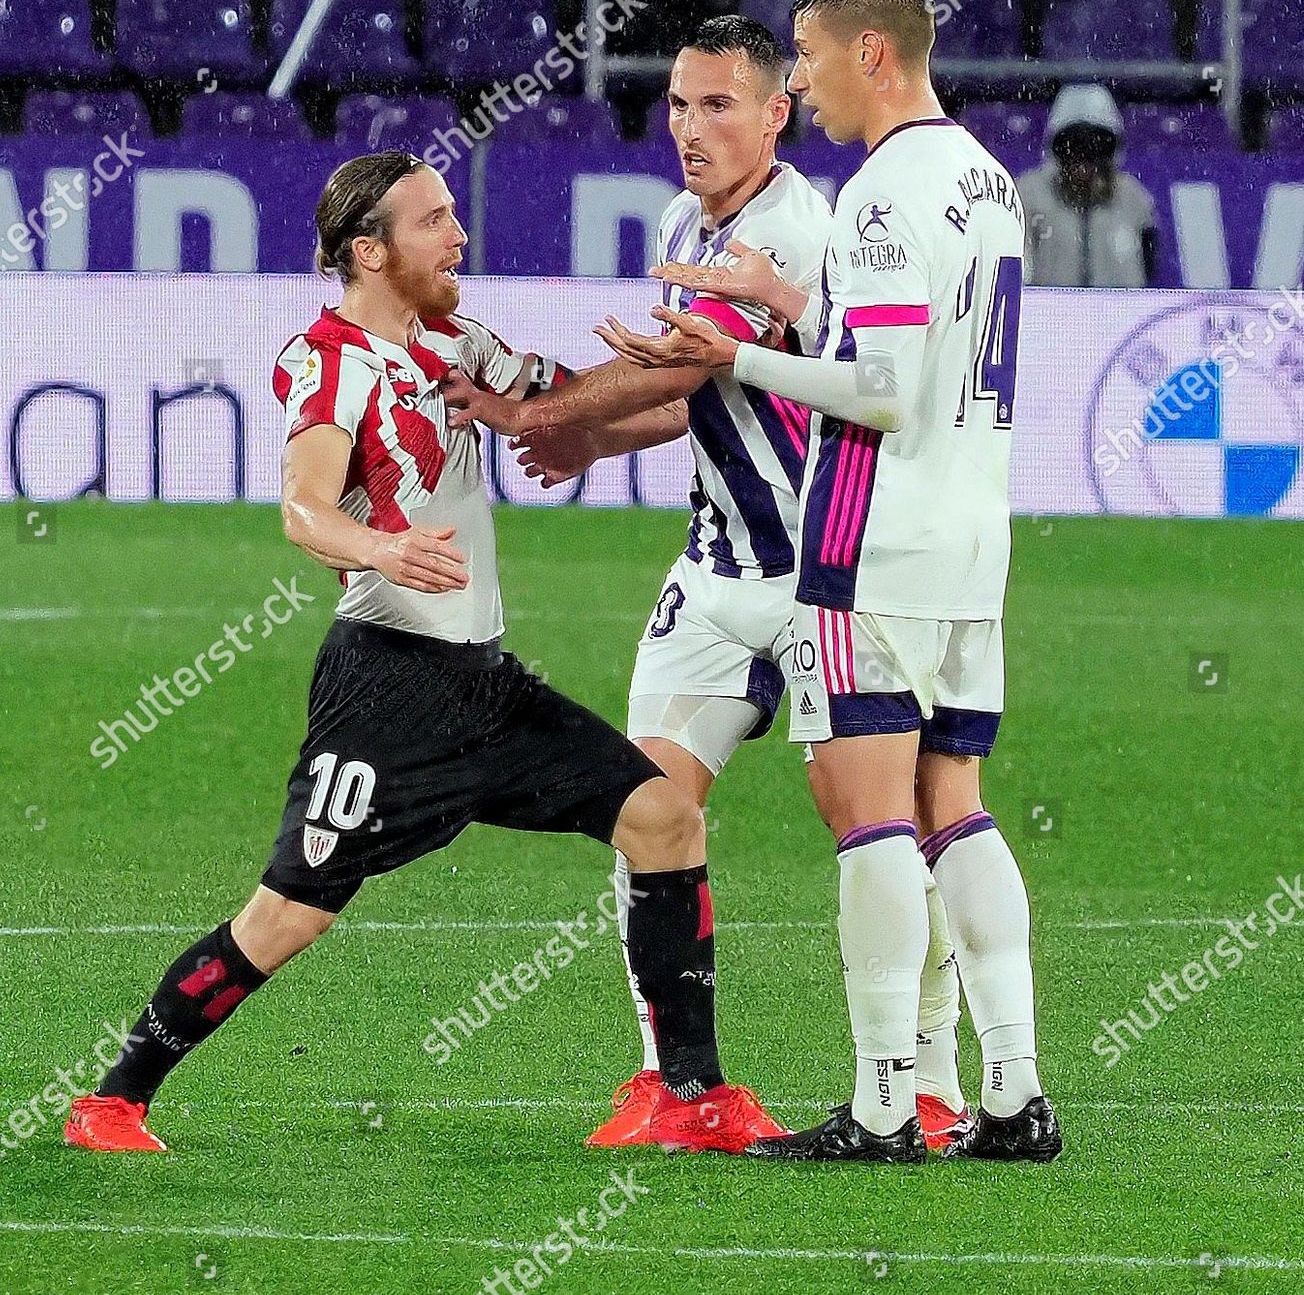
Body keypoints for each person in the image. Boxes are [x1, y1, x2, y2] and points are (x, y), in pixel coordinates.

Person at [63, 151, 781, 1156]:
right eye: (434, 221)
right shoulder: (329, 358)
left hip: (484, 684)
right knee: (286, 918)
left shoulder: (459, 342)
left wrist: (738, 354)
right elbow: (304, 507)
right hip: (385, 690)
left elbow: (581, 399)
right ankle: (114, 1098)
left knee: (663, 817)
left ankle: (688, 1095)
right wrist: (378, 544)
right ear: (370, 249)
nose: (459, 236)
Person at [442, 16, 975, 1152]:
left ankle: (926, 1083)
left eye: (717, 105)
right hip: (714, 571)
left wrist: (533, 412)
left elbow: (684, 359)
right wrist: (588, 446)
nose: (690, 129)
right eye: (678, 105)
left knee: (867, 817)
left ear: (775, 112)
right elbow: (707, 393)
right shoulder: (689, 221)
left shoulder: (796, 230)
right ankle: (682, 1090)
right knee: (648, 809)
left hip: (818, 575)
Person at [603, 0, 1063, 1164]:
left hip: (870, 534)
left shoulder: (875, 193)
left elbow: (877, 391)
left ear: (869, 54)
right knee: (949, 807)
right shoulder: (988, 180)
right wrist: (797, 313)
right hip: (974, 533)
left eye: (804, 57)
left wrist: (735, 350)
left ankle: (879, 1105)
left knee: (861, 812)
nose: (796, 82)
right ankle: (1009, 1090)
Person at [1017, 83, 1157, 287]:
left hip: (1121, 314)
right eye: (1074, 146)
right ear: (1057, 150)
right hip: (1050, 313)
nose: (1085, 161)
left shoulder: (1133, 198)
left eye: (1097, 146)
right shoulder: (1030, 195)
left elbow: (1147, 266)